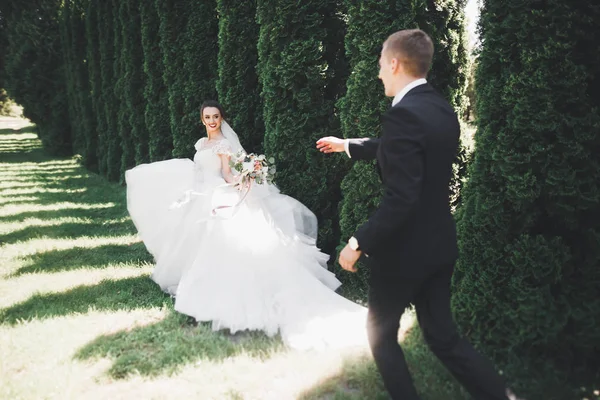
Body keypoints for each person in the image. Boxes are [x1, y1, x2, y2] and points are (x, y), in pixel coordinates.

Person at [317, 29, 516, 399]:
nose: (378, 74)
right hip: (440, 244)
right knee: (443, 337)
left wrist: (358, 241)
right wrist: (348, 145)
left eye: (380, 65)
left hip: (404, 253)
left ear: (394, 63)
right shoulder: (439, 108)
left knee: (380, 335)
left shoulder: (404, 114)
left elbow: (402, 196)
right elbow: (405, 152)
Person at [126, 100, 368, 350]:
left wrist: (244, 180)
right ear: (202, 119)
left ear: (222, 118)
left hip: (218, 194)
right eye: (207, 117)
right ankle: (205, 288)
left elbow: (228, 174)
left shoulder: (223, 144)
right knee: (197, 242)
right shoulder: (201, 144)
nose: (211, 121)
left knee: (220, 241)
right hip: (200, 195)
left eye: (216, 116)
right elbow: (199, 171)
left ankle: (228, 296)